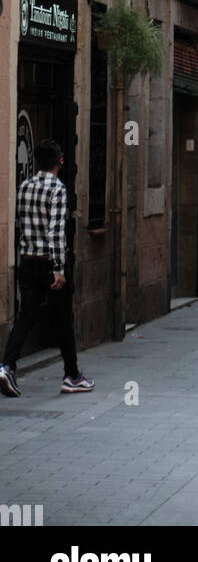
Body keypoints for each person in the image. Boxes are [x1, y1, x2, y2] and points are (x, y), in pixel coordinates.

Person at [0, 139, 94, 398]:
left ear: (37, 161)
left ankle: (7, 366)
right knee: (63, 318)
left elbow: (21, 223)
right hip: (48, 262)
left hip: (27, 260)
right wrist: (58, 268)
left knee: (27, 315)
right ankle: (72, 375)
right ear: (60, 161)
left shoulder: (24, 187)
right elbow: (55, 230)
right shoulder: (58, 189)